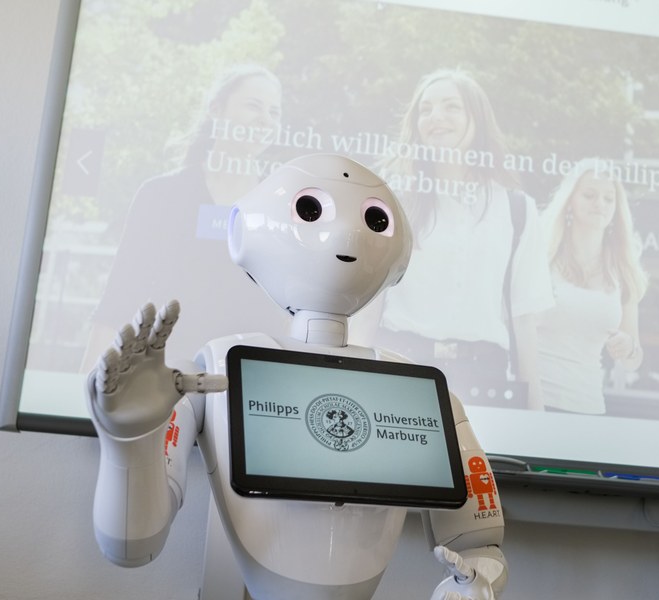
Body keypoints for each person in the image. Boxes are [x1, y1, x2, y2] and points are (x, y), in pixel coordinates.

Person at [85, 154, 507, 600]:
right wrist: (131, 445)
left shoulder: (423, 393)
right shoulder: (216, 371)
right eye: (311, 210)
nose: (345, 234)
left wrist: (475, 583)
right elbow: (133, 544)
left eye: (373, 220)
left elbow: (480, 542)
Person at [370, 68, 555, 410]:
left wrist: (536, 414)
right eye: (425, 109)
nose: (436, 117)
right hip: (401, 364)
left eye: (451, 107)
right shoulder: (394, 200)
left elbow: (524, 319)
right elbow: (370, 302)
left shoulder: (517, 209)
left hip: (483, 375)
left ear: (477, 119)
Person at [83, 64, 285, 369]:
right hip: (162, 377)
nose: (265, 120)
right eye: (254, 106)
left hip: (248, 382)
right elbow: (120, 296)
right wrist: (86, 386)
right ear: (216, 109)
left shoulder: (280, 207)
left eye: (275, 112)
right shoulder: (161, 194)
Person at [536, 158, 648, 414]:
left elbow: (634, 359)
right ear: (569, 202)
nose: (600, 204)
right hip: (535, 400)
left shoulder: (623, 269)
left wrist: (627, 347)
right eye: (589, 195)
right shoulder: (543, 256)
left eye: (609, 198)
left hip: (587, 406)